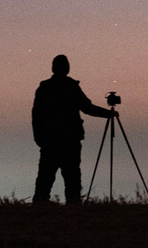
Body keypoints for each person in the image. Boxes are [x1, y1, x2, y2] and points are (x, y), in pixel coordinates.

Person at [31, 54, 115, 204]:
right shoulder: (71, 86)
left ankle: (40, 206)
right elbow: (87, 107)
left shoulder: (44, 88)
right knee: (72, 177)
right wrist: (108, 114)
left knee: (45, 177)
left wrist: (38, 137)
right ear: (67, 68)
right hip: (69, 140)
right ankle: (73, 206)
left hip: (50, 141)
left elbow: (36, 115)